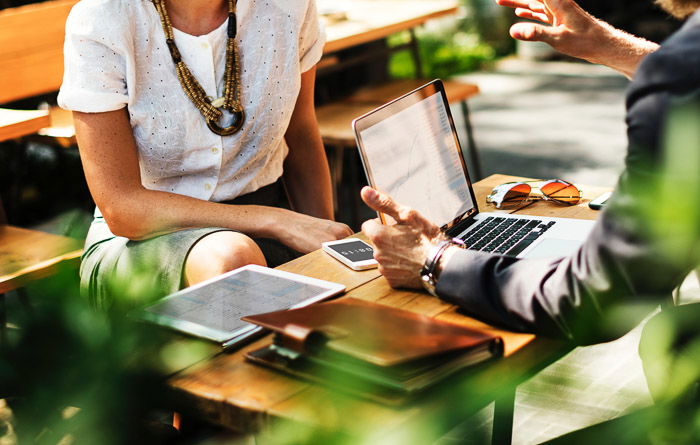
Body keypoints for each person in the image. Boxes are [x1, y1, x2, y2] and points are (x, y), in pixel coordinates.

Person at [360, 0, 700, 344]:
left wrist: (433, 259)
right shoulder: (684, 67)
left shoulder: (679, 80)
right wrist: (608, 45)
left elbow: (590, 299)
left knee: (668, 342)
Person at [58, 0, 352, 307]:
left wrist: (324, 245)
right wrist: (275, 221)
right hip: (143, 240)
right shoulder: (103, 18)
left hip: (274, 228)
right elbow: (122, 209)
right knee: (234, 259)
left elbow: (301, 130)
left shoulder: (290, 7)